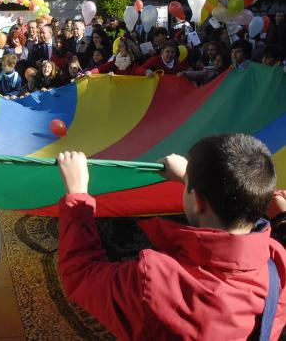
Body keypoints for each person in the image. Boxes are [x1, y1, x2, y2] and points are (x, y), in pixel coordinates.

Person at [57, 134, 286, 340]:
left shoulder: (153, 282)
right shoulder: (280, 263)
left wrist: (77, 195)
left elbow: (80, 274)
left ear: (197, 201)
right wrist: (190, 178)